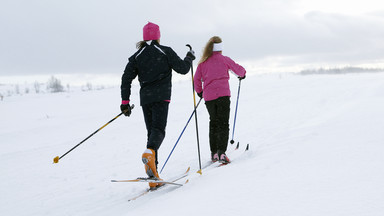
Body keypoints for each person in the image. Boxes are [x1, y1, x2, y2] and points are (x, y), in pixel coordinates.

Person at [120, 22, 195, 189]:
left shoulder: (137, 56)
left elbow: (126, 78)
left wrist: (125, 102)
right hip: (162, 97)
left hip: (146, 99)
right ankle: (151, 159)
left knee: (151, 133)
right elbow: (183, 69)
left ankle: (154, 176)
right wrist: (189, 57)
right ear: (158, 36)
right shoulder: (165, 51)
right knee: (158, 131)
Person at [194, 36, 246, 164]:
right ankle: (221, 152)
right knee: (223, 123)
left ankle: (214, 153)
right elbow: (240, 70)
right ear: (220, 48)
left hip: (209, 97)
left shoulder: (203, 63)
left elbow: (196, 80)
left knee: (214, 123)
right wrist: (242, 75)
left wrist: (200, 92)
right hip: (223, 95)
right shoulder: (224, 60)